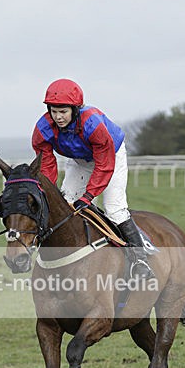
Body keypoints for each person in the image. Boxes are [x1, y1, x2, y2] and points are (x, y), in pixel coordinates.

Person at [31, 78, 154, 278]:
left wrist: (88, 196)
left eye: (63, 112)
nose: (58, 117)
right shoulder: (43, 128)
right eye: (54, 111)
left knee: (114, 209)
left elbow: (104, 165)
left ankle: (140, 261)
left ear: (75, 109)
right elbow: (46, 164)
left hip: (110, 155)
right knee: (67, 205)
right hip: (80, 159)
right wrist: (48, 192)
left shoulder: (92, 124)